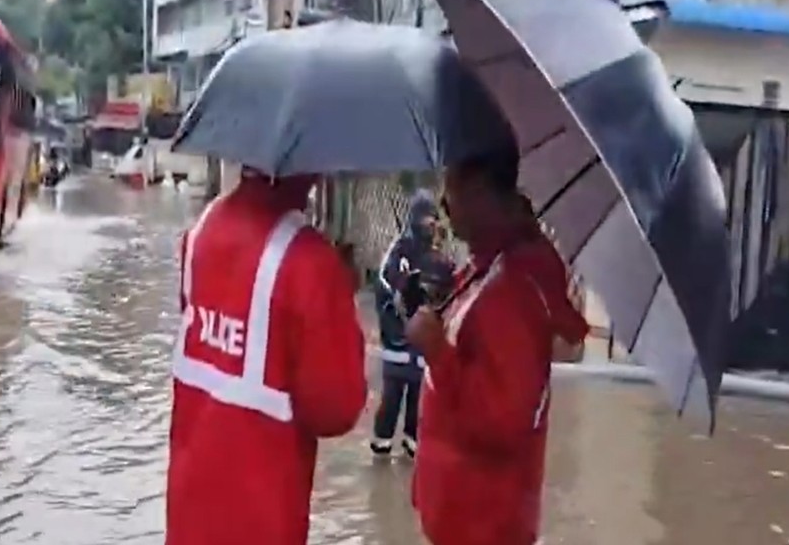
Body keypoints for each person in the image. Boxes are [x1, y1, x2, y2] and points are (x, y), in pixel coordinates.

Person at [166, 168, 367, 545]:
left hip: (187, 516)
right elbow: (336, 410)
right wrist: (339, 301)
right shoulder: (311, 262)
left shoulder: (201, 232)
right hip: (263, 524)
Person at [405, 146, 590, 545]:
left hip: (483, 525)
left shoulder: (512, 292)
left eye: (452, 188)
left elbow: (503, 422)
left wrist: (437, 351)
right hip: (463, 515)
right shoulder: (485, 270)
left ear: (483, 195)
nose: (443, 203)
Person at [371, 189, 452, 459]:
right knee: (392, 397)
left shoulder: (437, 256)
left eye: (435, 218)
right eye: (428, 217)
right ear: (416, 218)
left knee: (419, 401)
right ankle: (381, 444)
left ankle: (412, 444)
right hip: (397, 341)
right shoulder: (399, 249)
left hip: (422, 347)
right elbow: (382, 279)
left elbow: (446, 293)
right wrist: (398, 294)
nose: (432, 223)